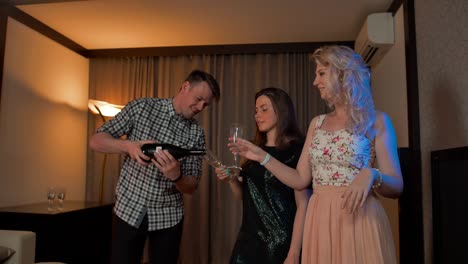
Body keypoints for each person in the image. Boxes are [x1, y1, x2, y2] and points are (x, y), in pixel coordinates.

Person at [229, 46, 404, 264]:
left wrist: (372, 175)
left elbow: (396, 186)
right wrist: (261, 156)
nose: (315, 81)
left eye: (321, 73)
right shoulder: (317, 123)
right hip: (320, 221)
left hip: (360, 219)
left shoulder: (377, 120)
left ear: (343, 74)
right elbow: (300, 180)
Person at [89, 69, 220, 264]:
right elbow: (96, 141)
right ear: (185, 87)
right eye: (199, 99)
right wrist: (127, 146)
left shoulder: (196, 134)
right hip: (129, 209)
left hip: (169, 217)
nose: (200, 107)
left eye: (206, 104)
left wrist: (177, 177)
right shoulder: (142, 107)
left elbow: (191, 186)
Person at [215, 87, 311, 264]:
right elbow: (244, 196)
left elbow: (304, 204)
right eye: (256, 110)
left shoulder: (298, 150)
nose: (257, 115)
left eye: (264, 109)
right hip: (248, 241)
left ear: (281, 110)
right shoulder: (253, 148)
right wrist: (232, 179)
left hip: (281, 242)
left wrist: (294, 252)